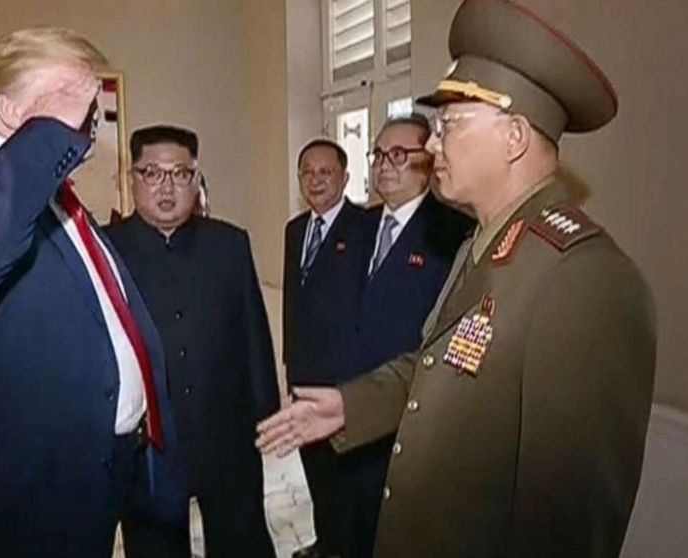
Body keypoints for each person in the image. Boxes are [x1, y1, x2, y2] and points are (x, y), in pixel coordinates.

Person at [257, 1, 657, 556]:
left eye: (449, 125)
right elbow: (435, 370)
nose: (430, 144)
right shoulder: (482, 244)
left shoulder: (584, 278)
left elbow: (568, 523)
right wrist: (351, 407)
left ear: (514, 137)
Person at [0, 28, 186, 558]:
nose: (85, 124)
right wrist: (47, 132)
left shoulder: (65, 205)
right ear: (8, 112)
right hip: (19, 508)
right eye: (70, 103)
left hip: (102, 481)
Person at [105, 124, 279, 558]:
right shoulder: (109, 249)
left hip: (227, 434)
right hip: (149, 443)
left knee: (242, 542)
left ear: (197, 180)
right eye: (152, 174)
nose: (167, 187)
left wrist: (266, 414)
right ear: (132, 180)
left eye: (180, 174)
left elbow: (252, 333)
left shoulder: (229, 244)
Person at [337, 115, 472, 558]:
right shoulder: (356, 226)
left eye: (399, 155)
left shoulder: (453, 233)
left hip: (410, 412)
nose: (384, 165)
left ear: (429, 160)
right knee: (353, 524)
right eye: (378, 154)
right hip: (354, 407)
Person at [282, 138, 373, 558]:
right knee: (314, 472)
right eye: (308, 172)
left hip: (344, 384)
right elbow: (292, 303)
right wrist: (289, 367)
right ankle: (326, 543)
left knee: (346, 480)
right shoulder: (295, 230)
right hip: (304, 376)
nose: (316, 181)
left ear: (345, 177)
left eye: (326, 172)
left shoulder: (366, 228)